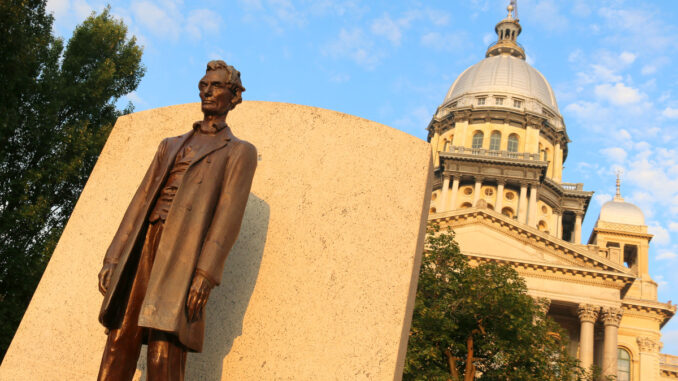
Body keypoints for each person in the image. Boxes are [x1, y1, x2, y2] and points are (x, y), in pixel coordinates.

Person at [96, 60, 257, 381]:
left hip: (183, 256)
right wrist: (114, 258)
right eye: (203, 85)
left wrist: (205, 274)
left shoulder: (239, 152)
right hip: (142, 248)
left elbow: (228, 219)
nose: (207, 92)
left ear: (235, 95)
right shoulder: (170, 145)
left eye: (216, 86)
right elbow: (140, 201)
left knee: (163, 349)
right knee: (118, 340)